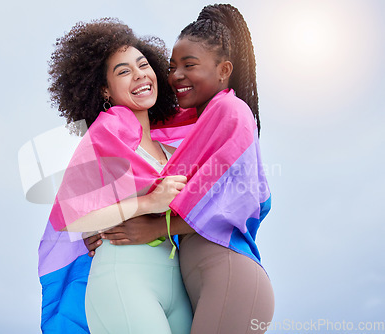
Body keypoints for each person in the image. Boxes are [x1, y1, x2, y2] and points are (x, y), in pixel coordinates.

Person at [87, 4, 275, 334]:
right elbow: (157, 184)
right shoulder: (193, 129)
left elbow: (237, 199)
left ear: (223, 70)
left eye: (189, 65)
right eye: (172, 67)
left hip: (227, 272)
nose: (175, 76)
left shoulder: (232, 111)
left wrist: (157, 229)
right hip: (201, 281)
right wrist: (103, 220)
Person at [40, 18, 192, 334]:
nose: (139, 75)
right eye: (123, 71)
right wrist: (148, 202)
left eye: (143, 65)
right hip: (124, 278)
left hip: (178, 282)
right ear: (105, 90)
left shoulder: (174, 152)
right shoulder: (107, 134)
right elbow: (75, 218)